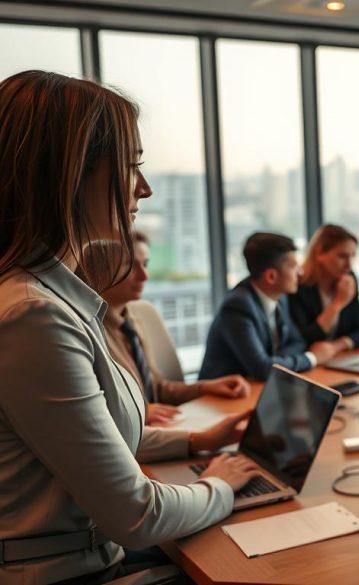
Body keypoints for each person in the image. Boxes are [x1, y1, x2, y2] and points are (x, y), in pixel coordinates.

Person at [0, 70, 260, 583]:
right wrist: (223, 486)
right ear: (71, 173)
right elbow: (138, 515)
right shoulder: (34, 317)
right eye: (132, 166)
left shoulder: (51, 298)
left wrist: (196, 442)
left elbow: (91, 437)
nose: (145, 187)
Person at [79, 232, 250, 426]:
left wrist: (206, 387)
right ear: (97, 271)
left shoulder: (132, 317)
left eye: (145, 264)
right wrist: (141, 411)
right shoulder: (87, 330)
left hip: (158, 427)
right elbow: (95, 413)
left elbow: (156, 389)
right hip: (133, 437)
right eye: (130, 266)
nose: (145, 276)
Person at [200, 232, 337, 381]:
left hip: (257, 387)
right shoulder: (237, 306)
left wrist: (274, 361)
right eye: (293, 267)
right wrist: (312, 358)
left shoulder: (280, 296)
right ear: (271, 276)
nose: (300, 272)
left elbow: (298, 342)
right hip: (219, 397)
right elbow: (263, 369)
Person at [289, 223, 359, 351]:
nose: (349, 265)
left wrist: (336, 346)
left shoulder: (349, 279)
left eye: (352, 256)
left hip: (340, 358)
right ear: (320, 253)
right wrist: (337, 304)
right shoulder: (297, 287)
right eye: (342, 256)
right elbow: (304, 339)